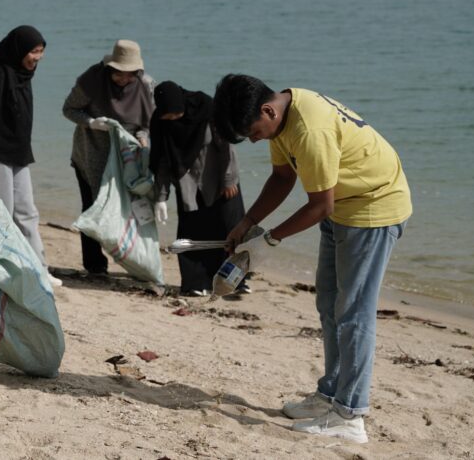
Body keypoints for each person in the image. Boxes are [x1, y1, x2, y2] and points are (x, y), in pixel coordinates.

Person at [212, 74, 411, 444]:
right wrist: (247, 222)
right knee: (329, 305)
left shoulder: (309, 129)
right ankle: (330, 395)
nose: (254, 140)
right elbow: (282, 178)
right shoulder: (283, 115)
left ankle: (350, 414)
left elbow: (320, 205)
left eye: (253, 132)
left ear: (267, 111)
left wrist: (269, 241)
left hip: (373, 210)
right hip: (343, 209)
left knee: (354, 313)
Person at [0, 26, 62, 287]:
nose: (37, 57)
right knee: (2, 212)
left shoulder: (24, 74)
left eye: (41, 51)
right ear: (19, 50)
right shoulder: (1, 74)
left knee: (27, 213)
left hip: (19, 153)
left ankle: (39, 269)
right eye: (34, 51)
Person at [62, 39, 154, 276]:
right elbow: (69, 109)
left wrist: (143, 138)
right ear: (110, 68)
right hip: (91, 153)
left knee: (130, 208)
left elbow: (148, 123)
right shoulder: (91, 81)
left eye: (129, 74)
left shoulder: (145, 85)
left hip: (128, 157)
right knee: (93, 206)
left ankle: (133, 258)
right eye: (118, 73)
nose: (123, 79)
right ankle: (95, 265)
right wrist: (91, 122)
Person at [149, 81, 245, 296]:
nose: (173, 120)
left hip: (220, 179)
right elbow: (161, 161)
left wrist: (229, 180)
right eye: (168, 116)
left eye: (175, 114)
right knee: (192, 233)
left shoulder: (207, 109)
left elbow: (226, 145)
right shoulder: (161, 123)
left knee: (231, 228)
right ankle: (195, 283)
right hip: (188, 185)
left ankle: (235, 281)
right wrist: (161, 197)